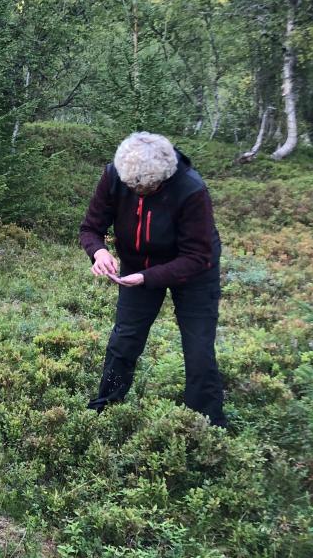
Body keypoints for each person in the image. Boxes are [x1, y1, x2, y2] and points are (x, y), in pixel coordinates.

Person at [80, 131, 227, 427]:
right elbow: (90, 228)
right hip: (137, 265)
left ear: (164, 177)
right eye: (132, 187)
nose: (139, 193)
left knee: (198, 348)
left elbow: (197, 256)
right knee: (124, 339)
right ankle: (106, 409)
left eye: (147, 188)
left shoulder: (191, 189)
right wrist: (99, 252)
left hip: (195, 271)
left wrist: (147, 278)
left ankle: (207, 424)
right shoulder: (114, 175)